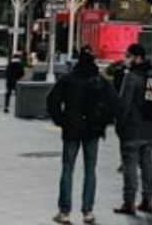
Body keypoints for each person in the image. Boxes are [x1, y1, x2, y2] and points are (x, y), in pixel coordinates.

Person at [47, 48, 117, 224]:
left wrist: (61, 120)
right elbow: (114, 103)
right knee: (90, 169)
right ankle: (88, 211)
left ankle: (64, 211)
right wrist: (103, 122)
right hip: (93, 130)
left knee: (67, 169)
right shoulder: (100, 81)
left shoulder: (69, 80)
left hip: (72, 128)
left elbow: (52, 101)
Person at [113, 43, 152, 215]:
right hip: (150, 128)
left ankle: (129, 202)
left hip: (132, 129)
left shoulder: (131, 77)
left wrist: (119, 125)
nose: (127, 59)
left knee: (129, 166)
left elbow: (124, 104)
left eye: (129, 56)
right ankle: (148, 200)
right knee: (147, 164)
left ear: (137, 57)